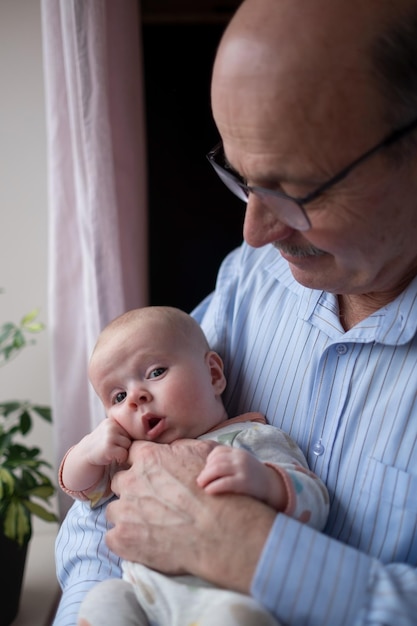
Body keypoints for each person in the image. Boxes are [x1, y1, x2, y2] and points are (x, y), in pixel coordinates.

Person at [53, 0, 417, 624]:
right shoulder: (253, 279)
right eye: (242, 178)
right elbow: (98, 517)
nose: (253, 231)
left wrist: (252, 551)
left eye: (295, 191)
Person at [59, 306, 328, 626]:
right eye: (118, 396)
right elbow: (82, 492)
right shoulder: (128, 458)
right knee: (104, 598)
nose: (135, 397)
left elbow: (316, 502)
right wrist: (85, 453)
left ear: (213, 375)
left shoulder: (250, 438)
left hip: (222, 597)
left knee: (238, 618)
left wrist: (264, 480)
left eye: (155, 372)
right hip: (144, 600)